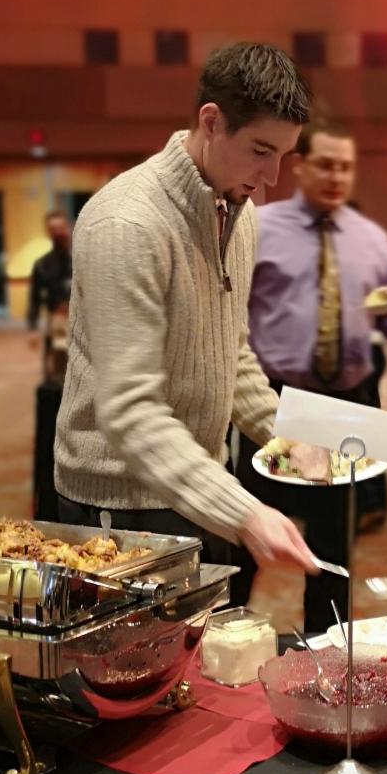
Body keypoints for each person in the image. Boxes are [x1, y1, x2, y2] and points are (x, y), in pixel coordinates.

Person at [53, 42, 318, 578]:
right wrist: (245, 513)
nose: (272, 177)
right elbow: (129, 410)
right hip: (120, 508)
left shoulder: (237, 210)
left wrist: (282, 436)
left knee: (209, 656)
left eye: (284, 157)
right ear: (212, 122)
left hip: (200, 483)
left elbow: (230, 353)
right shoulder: (127, 224)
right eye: (261, 151)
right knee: (137, 666)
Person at [237, 121, 387, 631]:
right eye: (326, 164)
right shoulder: (257, 226)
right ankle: (221, 642)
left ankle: (326, 645)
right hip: (269, 403)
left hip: (344, 407)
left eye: (346, 166)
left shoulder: (370, 238)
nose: (337, 176)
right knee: (247, 533)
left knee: (333, 548)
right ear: (300, 165)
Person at [27, 210, 74, 382]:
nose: (58, 233)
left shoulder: (82, 258)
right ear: (48, 232)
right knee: (56, 379)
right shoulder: (42, 265)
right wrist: (32, 328)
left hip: (84, 329)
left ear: (68, 228)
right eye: (53, 229)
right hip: (56, 328)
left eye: (61, 228)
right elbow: (34, 299)